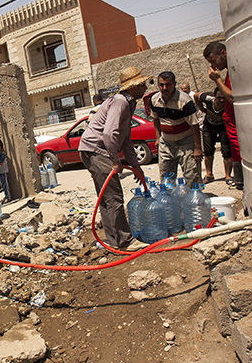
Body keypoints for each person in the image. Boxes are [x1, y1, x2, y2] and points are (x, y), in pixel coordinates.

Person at [78, 66, 149, 251]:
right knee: (113, 197)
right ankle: (124, 241)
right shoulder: (120, 102)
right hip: (96, 150)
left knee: (107, 198)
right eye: (141, 84)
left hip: (93, 149)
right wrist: (116, 161)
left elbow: (125, 140)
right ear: (132, 86)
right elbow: (109, 135)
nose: (145, 87)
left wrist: (136, 167)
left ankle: (114, 241)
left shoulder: (128, 102)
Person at [150, 71, 202, 187]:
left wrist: (197, 148)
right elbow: (156, 119)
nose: (164, 88)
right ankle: (171, 202)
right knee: (166, 178)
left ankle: (193, 202)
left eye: (168, 84)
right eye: (161, 85)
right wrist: (158, 138)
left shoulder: (184, 100)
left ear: (174, 84)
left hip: (186, 142)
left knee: (191, 176)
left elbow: (194, 125)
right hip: (166, 143)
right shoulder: (154, 100)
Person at [204, 41, 243, 190]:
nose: (213, 65)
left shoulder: (232, 72)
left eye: (214, 61)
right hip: (232, 128)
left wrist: (217, 80)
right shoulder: (228, 72)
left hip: (237, 130)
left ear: (223, 53)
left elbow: (233, 98)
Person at [193, 88, 233, 184]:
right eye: (219, 98)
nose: (222, 100)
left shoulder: (228, 101)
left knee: (227, 151)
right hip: (209, 126)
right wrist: (202, 109)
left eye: (223, 98)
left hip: (223, 126)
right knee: (208, 151)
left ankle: (227, 175)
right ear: (215, 97)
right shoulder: (208, 98)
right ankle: (209, 174)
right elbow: (196, 96)